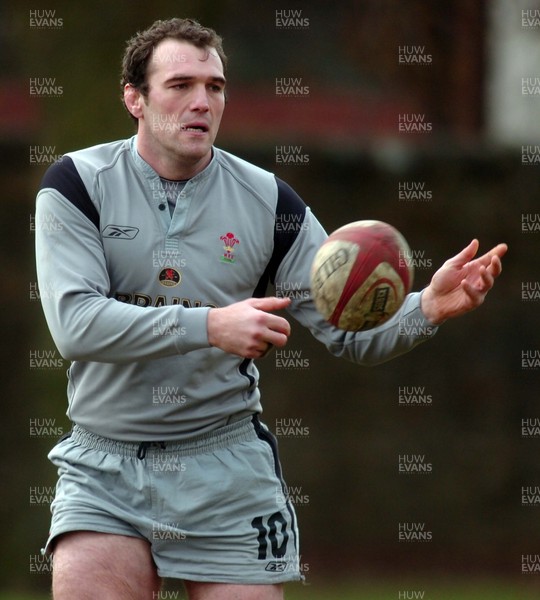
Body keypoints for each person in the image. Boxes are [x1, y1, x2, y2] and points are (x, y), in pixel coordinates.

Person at [35, 17, 507, 600]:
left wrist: (426, 308)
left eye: (215, 86)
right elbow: (76, 325)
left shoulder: (269, 201)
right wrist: (210, 325)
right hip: (105, 465)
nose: (201, 101)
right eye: (180, 85)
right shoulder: (78, 185)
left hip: (226, 468)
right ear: (134, 98)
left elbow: (350, 335)